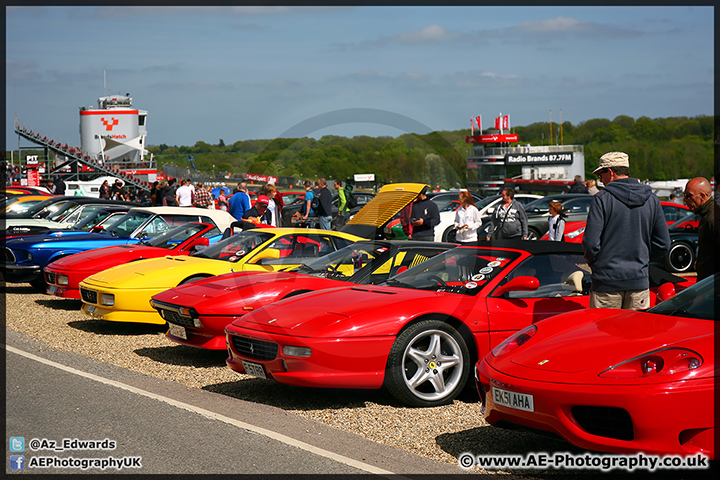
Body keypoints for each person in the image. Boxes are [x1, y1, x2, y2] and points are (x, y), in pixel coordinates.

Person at [582, 151, 670, 310]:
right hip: (639, 281)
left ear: (610, 172)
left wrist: (597, 263)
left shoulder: (602, 198)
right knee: (635, 334)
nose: (600, 181)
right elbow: (663, 243)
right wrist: (642, 259)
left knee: (603, 334)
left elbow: (590, 243)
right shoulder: (651, 199)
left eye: (601, 176)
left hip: (606, 282)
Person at [682, 177, 720, 280]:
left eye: (688, 196)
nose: (685, 200)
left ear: (702, 196)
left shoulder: (713, 218)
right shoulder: (706, 215)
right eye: (684, 195)